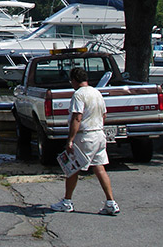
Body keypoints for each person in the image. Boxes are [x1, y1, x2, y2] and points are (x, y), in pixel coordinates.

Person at [50, 66, 120, 215]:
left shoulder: (78, 95)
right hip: (99, 134)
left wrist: (70, 139)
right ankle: (111, 202)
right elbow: (104, 115)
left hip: (85, 135)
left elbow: (77, 117)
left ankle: (67, 201)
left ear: (74, 80)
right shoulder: (96, 93)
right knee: (99, 167)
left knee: (72, 168)